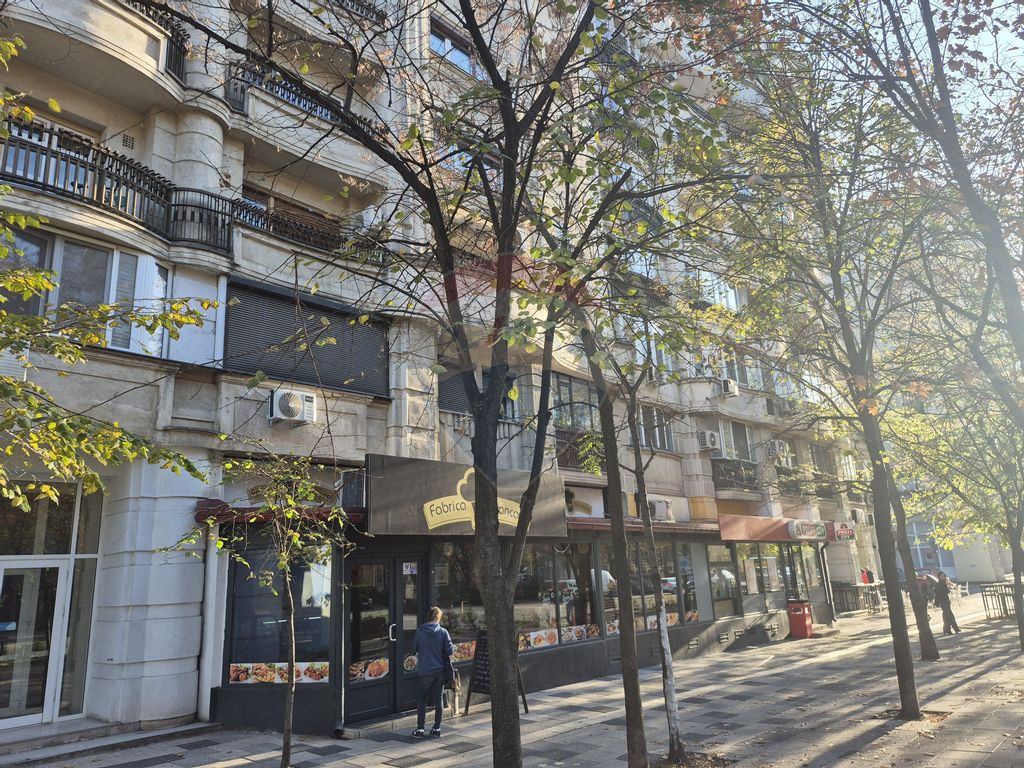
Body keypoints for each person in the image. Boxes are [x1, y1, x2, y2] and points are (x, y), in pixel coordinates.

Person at [412, 606, 454, 738]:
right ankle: (436, 728)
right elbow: (450, 650)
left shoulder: (420, 631)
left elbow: (413, 648)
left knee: (422, 699)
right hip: (440, 670)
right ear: (439, 617)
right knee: (438, 699)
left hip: (425, 670)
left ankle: (420, 729)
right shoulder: (443, 632)